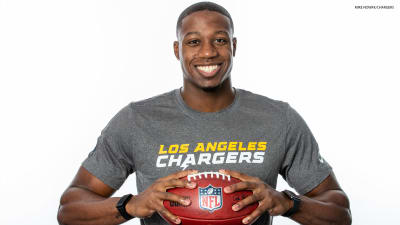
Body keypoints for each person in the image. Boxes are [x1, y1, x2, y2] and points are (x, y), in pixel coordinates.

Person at [57, 2, 351, 225]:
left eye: (220, 40)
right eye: (194, 41)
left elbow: (340, 210)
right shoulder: (137, 120)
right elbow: (69, 208)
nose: (208, 52)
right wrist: (129, 205)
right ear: (177, 50)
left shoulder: (278, 118)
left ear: (234, 46)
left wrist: (288, 202)